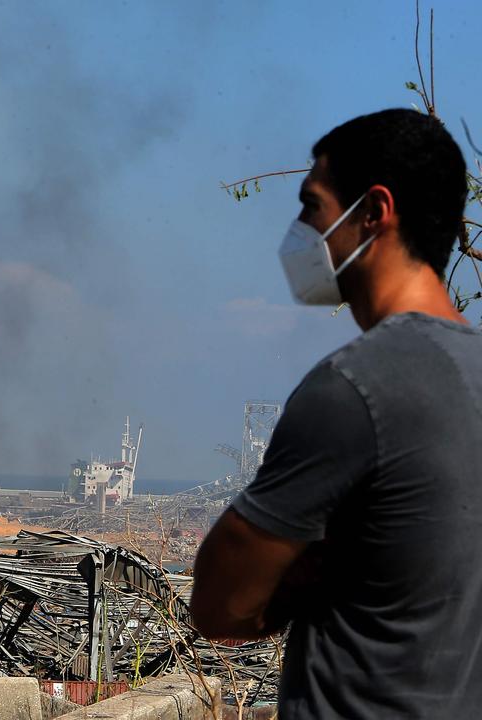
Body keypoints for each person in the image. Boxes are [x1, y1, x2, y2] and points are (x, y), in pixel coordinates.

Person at [191, 108, 479, 718]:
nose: (301, 230)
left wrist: (307, 571)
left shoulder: (353, 388)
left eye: (312, 206)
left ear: (373, 212)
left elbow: (220, 603)